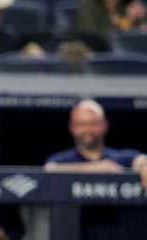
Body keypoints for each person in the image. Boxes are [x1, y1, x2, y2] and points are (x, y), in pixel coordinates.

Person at [45, 100, 147, 239]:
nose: (87, 130)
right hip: (76, 232)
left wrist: (144, 166)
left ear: (104, 125)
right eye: (81, 124)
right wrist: (98, 167)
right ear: (72, 127)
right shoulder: (62, 159)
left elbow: (140, 159)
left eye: (93, 124)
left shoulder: (120, 157)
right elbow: (49, 170)